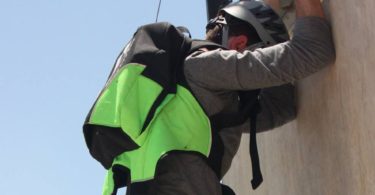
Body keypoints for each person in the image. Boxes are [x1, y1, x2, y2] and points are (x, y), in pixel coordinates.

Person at [85, 0, 335, 194]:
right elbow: (315, 50)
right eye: (258, 54)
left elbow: (282, 107)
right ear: (238, 46)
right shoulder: (206, 68)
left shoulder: (191, 104)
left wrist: (271, 19)